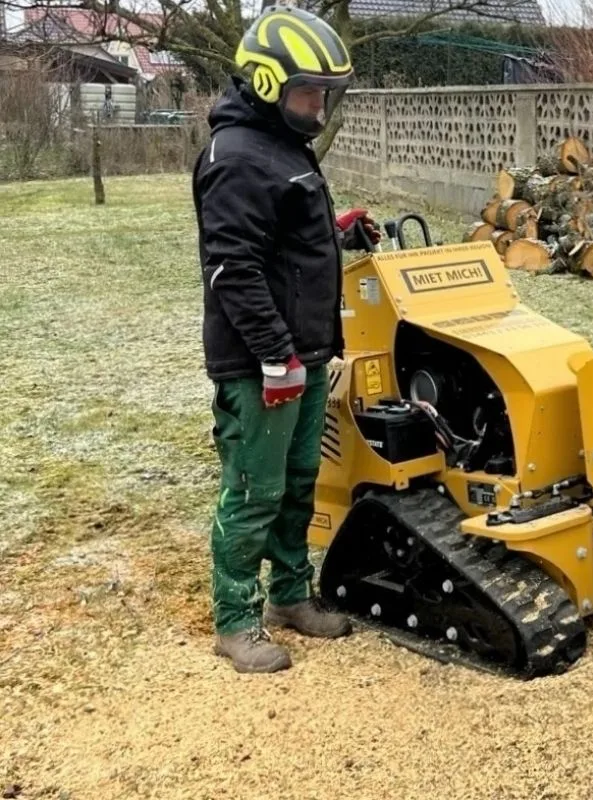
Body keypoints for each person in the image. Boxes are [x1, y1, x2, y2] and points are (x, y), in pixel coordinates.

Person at [191, 4, 380, 673]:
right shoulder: (237, 158)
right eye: (309, 93)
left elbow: (283, 241)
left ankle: (290, 596)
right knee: (254, 491)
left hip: (304, 354)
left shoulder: (281, 143)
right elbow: (233, 269)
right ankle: (235, 619)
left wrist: (336, 232)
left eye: (327, 94)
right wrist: (276, 356)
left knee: (301, 483)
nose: (319, 107)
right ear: (268, 84)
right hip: (261, 362)